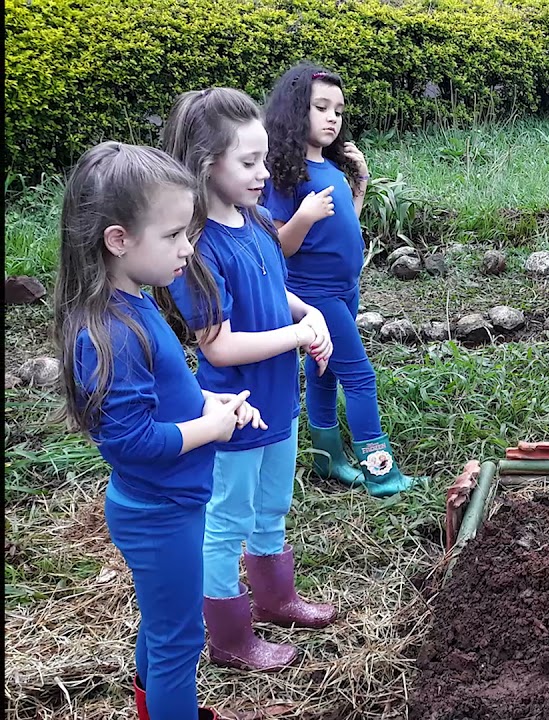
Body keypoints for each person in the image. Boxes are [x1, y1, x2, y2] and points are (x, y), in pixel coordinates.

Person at [53, 142, 263, 719]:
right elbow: (132, 442)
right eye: (172, 236)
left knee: (164, 624)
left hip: (169, 505)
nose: (187, 249)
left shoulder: (136, 300)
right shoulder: (112, 333)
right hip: (158, 513)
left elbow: (158, 396)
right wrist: (209, 426)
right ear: (118, 240)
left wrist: (207, 399)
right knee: (179, 643)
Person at [156, 87, 337, 673]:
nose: (265, 173)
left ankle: (276, 599)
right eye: (249, 163)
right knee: (225, 522)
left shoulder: (257, 222)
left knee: (272, 508)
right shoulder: (201, 248)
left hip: (279, 404)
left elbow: (270, 294)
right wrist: (297, 337)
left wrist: (305, 313)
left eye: (263, 160)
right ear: (208, 166)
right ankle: (230, 634)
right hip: (234, 412)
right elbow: (221, 343)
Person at [261, 62, 419, 497]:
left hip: (345, 290)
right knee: (360, 377)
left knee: (324, 370)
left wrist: (362, 183)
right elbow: (279, 245)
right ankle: (382, 473)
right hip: (315, 295)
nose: (332, 117)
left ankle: (327, 459)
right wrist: (303, 217)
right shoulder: (285, 174)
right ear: (296, 112)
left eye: (339, 110)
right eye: (321, 107)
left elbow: (344, 220)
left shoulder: (327, 167)